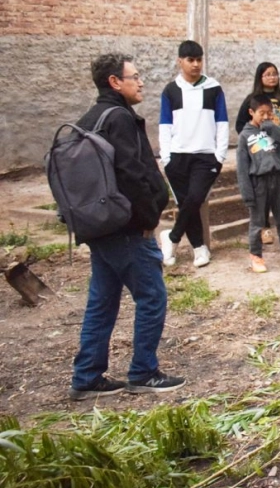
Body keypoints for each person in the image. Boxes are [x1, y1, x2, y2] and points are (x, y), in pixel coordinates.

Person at [69, 53, 184, 400]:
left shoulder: (90, 117)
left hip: (101, 227)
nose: (141, 81)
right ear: (115, 82)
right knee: (152, 297)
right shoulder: (118, 118)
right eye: (134, 76)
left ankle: (87, 377)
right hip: (127, 229)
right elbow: (132, 175)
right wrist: (149, 218)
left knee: (102, 302)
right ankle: (144, 372)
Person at [158, 40, 229, 268]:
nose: (196, 64)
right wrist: (166, 157)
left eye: (199, 59)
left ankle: (172, 237)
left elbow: (222, 123)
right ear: (180, 61)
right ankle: (200, 248)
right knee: (187, 203)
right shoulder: (171, 91)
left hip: (206, 156)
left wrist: (219, 156)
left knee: (195, 198)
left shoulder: (213, 88)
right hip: (177, 156)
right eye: (190, 60)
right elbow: (165, 126)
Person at [235, 62, 280, 246]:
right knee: (261, 194)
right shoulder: (253, 99)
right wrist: (254, 140)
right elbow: (241, 124)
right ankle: (264, 228)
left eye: (275, 74)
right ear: (260, 77)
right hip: (261, 154)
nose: (272, 77)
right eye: (268, 74)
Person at [237, 94, 280, 273]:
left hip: (278, 179)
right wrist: (247, 193)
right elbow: (242, 168)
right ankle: (256, 256)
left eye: (269, 113)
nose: (265, 117)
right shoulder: (245, 136)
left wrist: (273, 128)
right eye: (261, 113)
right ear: (251, 112)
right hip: (259, 183)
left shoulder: (273, 129)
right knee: (257, 222)